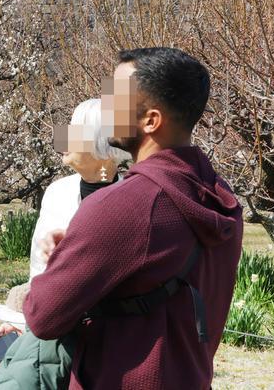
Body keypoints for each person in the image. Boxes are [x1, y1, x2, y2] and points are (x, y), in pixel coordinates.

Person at [24, 47, 243, 390]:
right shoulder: (220, 197)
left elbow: (42, 316)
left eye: (115, 96)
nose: (105, 105)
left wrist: (60, 265)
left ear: (151, 120)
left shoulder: (121, 207)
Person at [0, 98, 129, 387]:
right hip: (51, 335)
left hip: (106, 345)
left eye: (74, 130)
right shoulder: (57, 192)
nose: (62, 137)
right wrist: (19, 319)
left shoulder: (130, 200)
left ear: (102, 141)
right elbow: (37, 274)